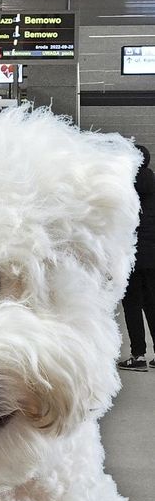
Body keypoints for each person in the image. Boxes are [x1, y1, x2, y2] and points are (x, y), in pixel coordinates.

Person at [118, 144, 155, 371]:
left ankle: (138, 356)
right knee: (153, 304)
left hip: (131, 256)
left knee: (132, 305)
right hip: (153, 258)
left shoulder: (124, 189)